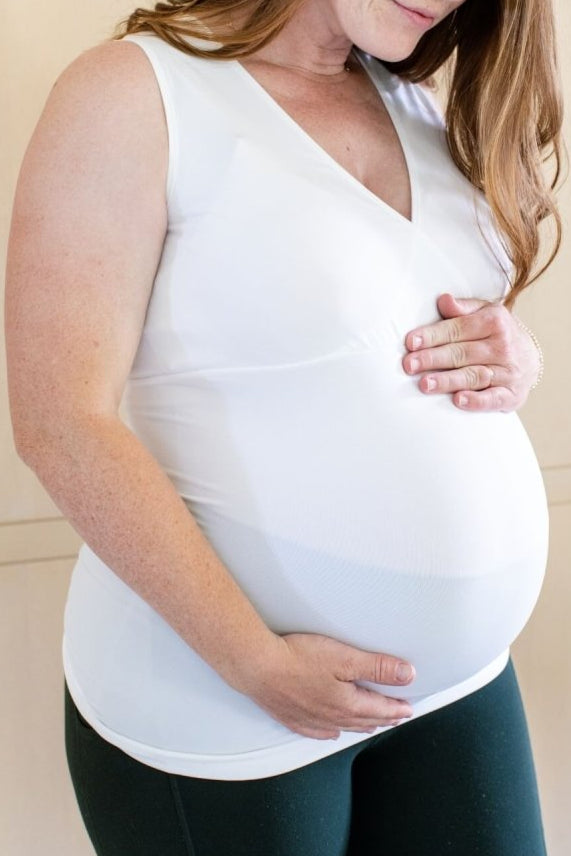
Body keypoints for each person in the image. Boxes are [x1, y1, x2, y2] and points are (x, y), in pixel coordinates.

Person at [5, 0, 563, 853]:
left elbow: (384, 330)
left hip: (454, 687)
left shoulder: (409, 93)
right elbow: (59, 420)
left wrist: (508, 351)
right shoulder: (136, 92)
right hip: (224, 708)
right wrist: (251, 662)